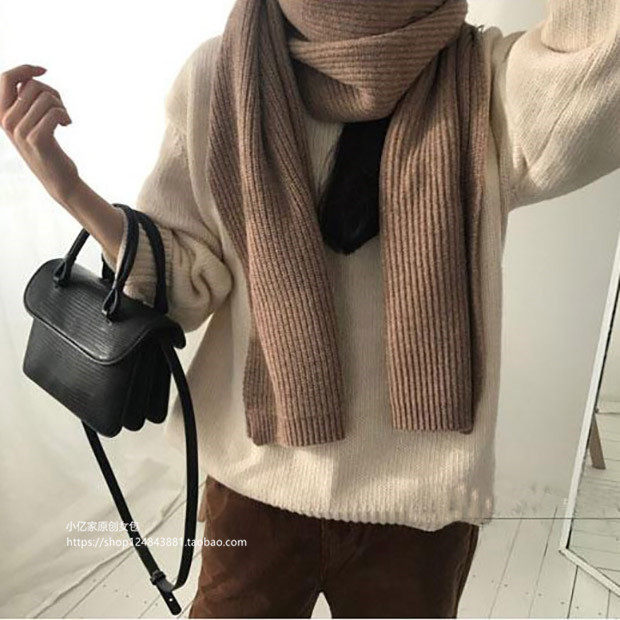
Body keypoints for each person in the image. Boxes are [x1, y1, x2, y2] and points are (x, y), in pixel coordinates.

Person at [1, 0, 619, 617]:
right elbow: (185, 286)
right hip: (256, 489)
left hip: (417, 512)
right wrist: (67, 187)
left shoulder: (484, 81)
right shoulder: (221, 77)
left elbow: (600, 69)